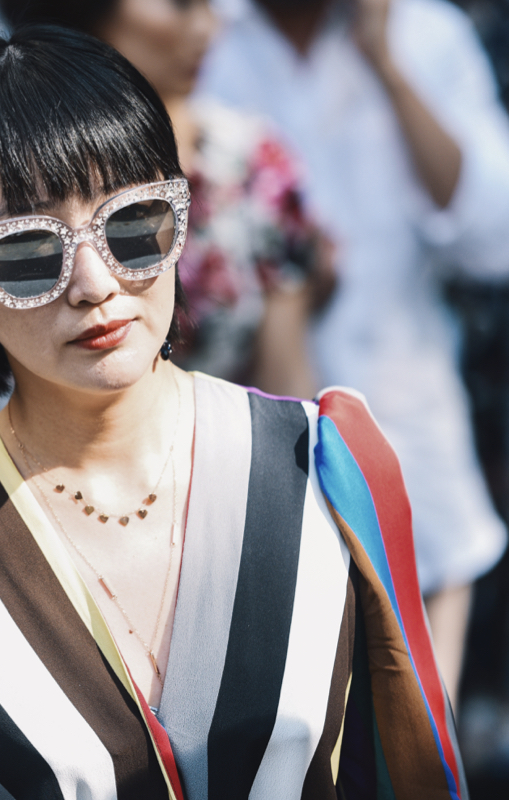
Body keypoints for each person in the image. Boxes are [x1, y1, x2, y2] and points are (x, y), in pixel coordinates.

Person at [0, 27, 466, 798]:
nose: (95, 282)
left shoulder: (326, 466)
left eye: (133, 224)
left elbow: (414, 771)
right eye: (26, 252)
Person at [199, 0, 509, 708]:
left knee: (421, 752)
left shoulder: (425, 34)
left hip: (411, 451)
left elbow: (497, 240)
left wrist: (389, 69)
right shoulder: (193, 31)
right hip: (240, 468)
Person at [0, 0, 335, 400]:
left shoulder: (253, 167)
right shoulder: (9, 170)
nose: (207, 28)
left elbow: (286, 376)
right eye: (180, 4)